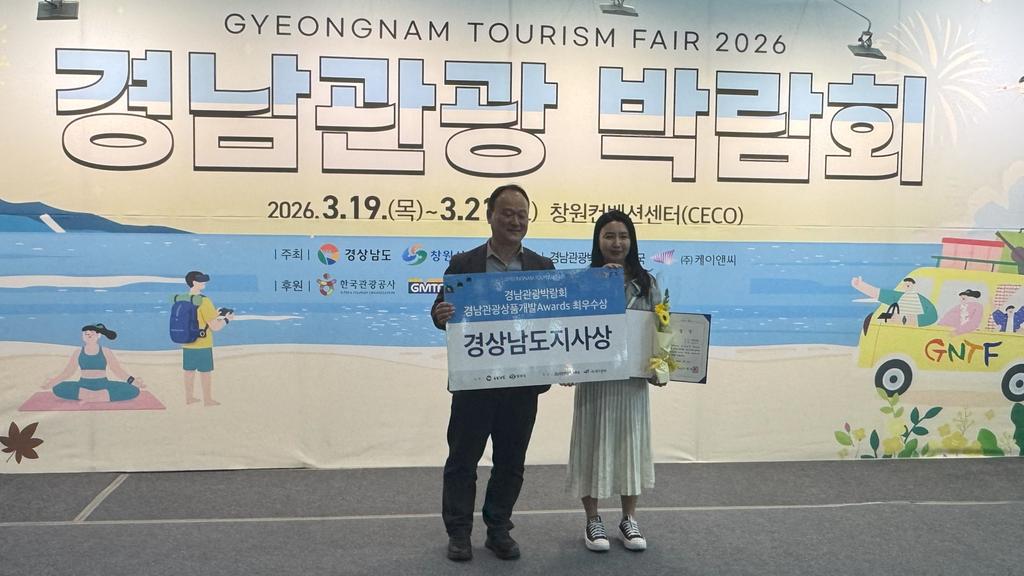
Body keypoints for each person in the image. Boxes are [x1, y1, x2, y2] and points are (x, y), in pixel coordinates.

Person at [430, 184, 554, 562]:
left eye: (522, 214)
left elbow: (556, 323)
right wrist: (439, 315)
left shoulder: (542, 268)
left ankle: (499, 529)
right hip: (474, 383)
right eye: (507, 213)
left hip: (522, 385)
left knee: (511, 464)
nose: (515, 221)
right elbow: (440, 311)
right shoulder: (463, 264)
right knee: (462, 461)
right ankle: (459, 533)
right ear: (490, 215)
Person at [562, 210, 663, 553]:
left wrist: (661, 366)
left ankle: (628, 519)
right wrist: (567, 367)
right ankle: (592, 519)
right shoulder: (583, 281)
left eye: (623, 236)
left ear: (631, 241)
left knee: (629, 447)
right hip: (595, 381)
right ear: (598, 241)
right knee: (590, 445)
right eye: (609, 236)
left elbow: (661, 329)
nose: (617, 242)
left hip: (631, 382)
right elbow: (569, 326)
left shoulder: (648, 283)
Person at [42, 323, 144, 402]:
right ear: (82, 336)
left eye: (91, 334)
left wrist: (134, 382)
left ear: (98, 335)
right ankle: (100, 396)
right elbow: (68, 372)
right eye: (86, 334)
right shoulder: (78, 352)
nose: (88, 335)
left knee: (133, 390)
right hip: (83, 384)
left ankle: (89, 396)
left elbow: (118, 371)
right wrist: (51, 383)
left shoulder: (106, 351)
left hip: (103, 384)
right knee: (58, 387)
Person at [179, 271, 233, 406]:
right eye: (201, 280)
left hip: (187, 342)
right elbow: (215, 327)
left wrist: (215, 314)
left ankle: (189, 397)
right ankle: (207, 400)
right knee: (205, 373)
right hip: (203, 343)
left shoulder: (182, 298)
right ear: (194, 282)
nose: (204, 283)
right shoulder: (205, 301)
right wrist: (227, 319)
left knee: (189, 371)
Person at [851, 276, 938, 327]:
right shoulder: (901, 296)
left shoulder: (921, 301)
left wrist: (904, 319)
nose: (906, 287)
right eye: (905, 285)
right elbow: (879, 294)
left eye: (908, 285)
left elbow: (932, 316)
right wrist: (860, 285)